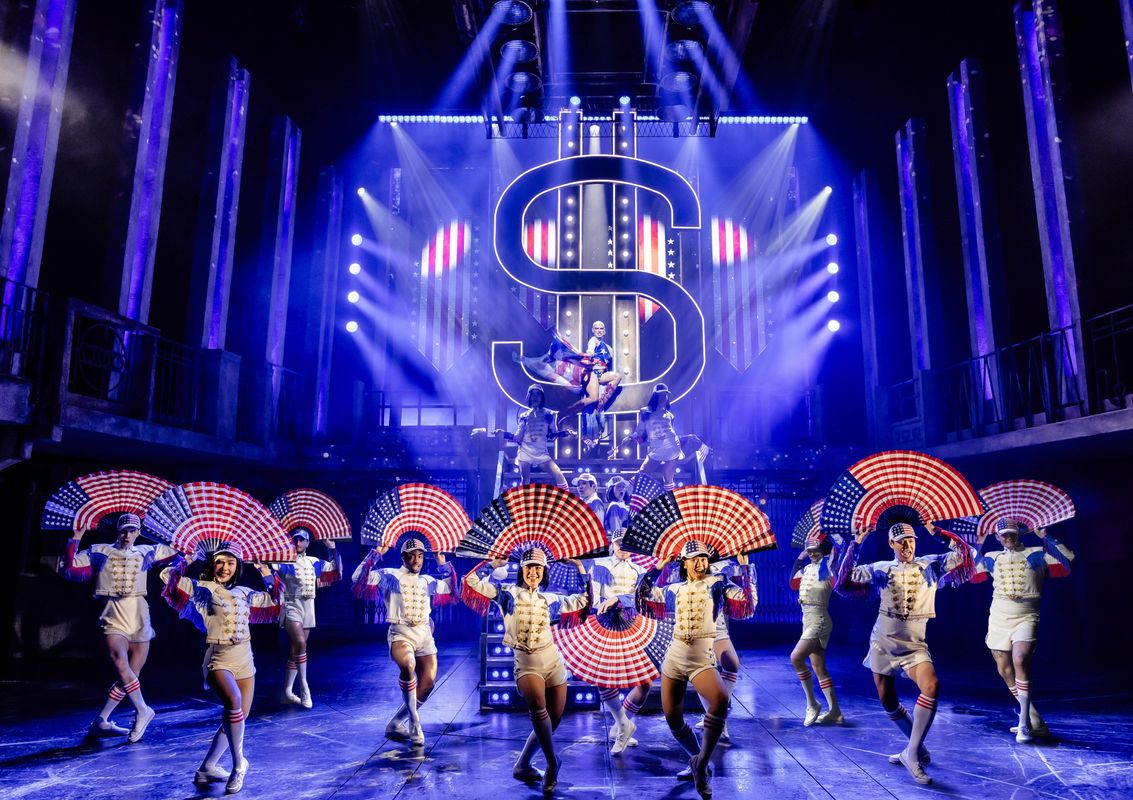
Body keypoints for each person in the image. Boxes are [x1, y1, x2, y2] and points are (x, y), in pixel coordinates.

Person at [836, 521, 975, 786]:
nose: (906, 545)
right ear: (891, 545)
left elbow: (966, 555)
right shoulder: (881, 569)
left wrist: (940, 534)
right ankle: (916, 746)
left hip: (915, 644)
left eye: (910, 540)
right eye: (900, 541)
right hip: (883, 641)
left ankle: (911, 752)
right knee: (887, 699)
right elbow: (844, 579)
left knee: (931, 685)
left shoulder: (930, 565)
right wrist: (856, 544)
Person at [462, 549, 591, 794]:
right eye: (529, 567)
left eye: (538, 569)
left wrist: (580, 569)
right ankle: (553, 763)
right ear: (522, 570)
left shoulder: (551, 600)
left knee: (552, 721)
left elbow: (585, 601)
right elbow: (470, 583)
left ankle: (522, 764)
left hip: (553, 662)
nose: (533, 572)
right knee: (537, 709)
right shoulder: (507, 595)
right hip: (526, 662)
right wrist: (490, 565)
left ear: (544, 574)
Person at [637, 541, 757, 797]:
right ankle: (696, 758)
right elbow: (642, 596)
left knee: (721, 700)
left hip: (702, 655)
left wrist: (746, 571)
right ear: (684, 563)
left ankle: (701, 765)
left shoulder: (718, 584)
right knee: (673, 718)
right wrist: (658, 567)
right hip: (675, 655)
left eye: (704, 558)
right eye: (694, 559)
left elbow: (747, 605)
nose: (700, 563)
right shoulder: (674, 589)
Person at [161, 543, 283, 794]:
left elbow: (276, 598)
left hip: (245, 657)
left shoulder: (245, 592)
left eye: (230, 563)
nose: (225, 567)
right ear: (212, 564)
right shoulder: (203, 589)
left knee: (237, 717)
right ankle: (240, 765)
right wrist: (185, 559)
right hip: (219, 658)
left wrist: (265, 572)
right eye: (220, 562)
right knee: (233, 703)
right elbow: (167, 578)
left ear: (237, 566)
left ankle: (207, 767)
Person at [60, 512, 178, 742]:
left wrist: (186, 540)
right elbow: (70, 567)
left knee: (132, 673)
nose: (127, 534)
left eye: (132, 530)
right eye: (124, 530)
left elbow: (178, 551)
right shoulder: (99, 551)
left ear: (138, 533)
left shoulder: (147, 551)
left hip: (139, 611)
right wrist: (75, 538)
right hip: (112, 610)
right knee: (119, 662)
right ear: (117, 530)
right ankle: (143, 710)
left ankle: (101, 720)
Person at [971, 519, 1073, 742]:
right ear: (997, 537)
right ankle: (1034, 718)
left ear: (1019, 534)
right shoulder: (992, 557)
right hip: (999, 615)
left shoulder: (1036, 553)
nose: (1008, 538)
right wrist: (977, 545)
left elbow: (1068, 559)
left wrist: (1045, 537)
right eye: (1003, 535)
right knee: (1004, 667)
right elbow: (970, 571)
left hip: (1026, 615)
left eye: (1012, 534)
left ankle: (1024, 723)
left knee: (1020, 659)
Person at [351, 537, 459, 746]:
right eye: (411, 556)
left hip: (425, 635)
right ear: (403, 557)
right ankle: (415, 723)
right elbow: (358, 578)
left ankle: (396, 722)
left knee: (427, 684)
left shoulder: (427, 581)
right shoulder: (390, 576)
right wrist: (376, 554)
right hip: (401, 633)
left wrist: (442, 562)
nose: (416, 560)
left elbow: (452, 587)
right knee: (408, 665)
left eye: (420, 556)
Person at [589, 527, 652, 755]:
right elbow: (594, 597)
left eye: (627, 544)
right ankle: (624, 724)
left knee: (645, 680)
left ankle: (620, 726)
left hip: (633, 624)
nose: (623, 548)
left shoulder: (641, 570)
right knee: (603, 676)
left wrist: (620, 599)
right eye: (619, 543)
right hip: (607, 624)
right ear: (612, 544)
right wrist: (604, 606)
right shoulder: (601, 566)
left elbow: (643, 600)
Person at [274, 528, 342, 708]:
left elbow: (336, 571)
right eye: (295, 540)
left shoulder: (314, 562)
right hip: (291, 604)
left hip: (308, 606)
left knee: (297, 649)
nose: (298, 543)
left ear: (307, 543)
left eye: (301, 540)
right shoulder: (284, 561)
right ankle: (305, 687)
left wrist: (333, 549)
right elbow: (267, 566)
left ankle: (288, 691)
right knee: (301, 644)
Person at [788, 531, 842, 726]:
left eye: (816, 549)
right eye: (809, 550)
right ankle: (835, 712)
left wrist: (832, 537)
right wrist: (800, 557)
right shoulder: (808, 568)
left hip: (819, 618)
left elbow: (839, 555)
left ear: (823, 549)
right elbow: (792, 582)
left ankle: (812, 704)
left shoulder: (828, 566)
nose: (813, 553)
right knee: (819, 668)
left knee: (796, 657)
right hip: (807, 619)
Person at [480, 384, 573, 489]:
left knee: (558, 474)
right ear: (529, 397)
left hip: (541, 451)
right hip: (525, 450)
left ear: (542, 397)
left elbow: (551, 436)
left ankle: (565, 498)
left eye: (538, 394)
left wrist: (562, 433)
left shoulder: (550, 414)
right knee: (525, 480)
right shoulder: (524, 416)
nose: (535, 397)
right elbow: (518, 438)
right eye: (532, 394)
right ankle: (525, 502)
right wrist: (503, 434)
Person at [618, 383, 706, 490]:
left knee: (668, 478)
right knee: (642, 474)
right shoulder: (646, 412)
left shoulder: (670, 415)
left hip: (673, 448)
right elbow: (640, 430)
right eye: (660, 395)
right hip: (656, 449)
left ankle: (671, 502)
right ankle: (623, 491)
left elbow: (670, 433)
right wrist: (630, 437)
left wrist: (686, 437)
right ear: (655, 396)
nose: (663, 397)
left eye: (665, 395)